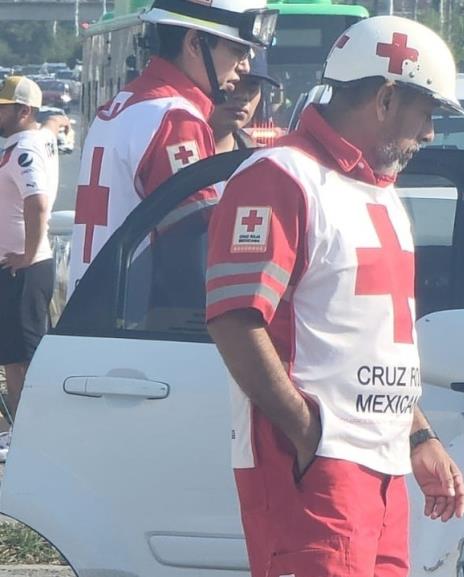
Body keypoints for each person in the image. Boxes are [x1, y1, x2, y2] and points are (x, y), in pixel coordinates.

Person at [205, 16, 464, 577]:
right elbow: (233, 318)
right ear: (387, 97)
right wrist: (307, 434)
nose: (429, 134)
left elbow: (373, 342)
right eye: (428, 113)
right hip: (316, 467)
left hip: (383, 468)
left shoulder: (381, 192)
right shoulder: (279, 176)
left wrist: (418, 435)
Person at [69, 0, 278, 292]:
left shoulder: (124, 103)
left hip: (94, 307)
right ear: (195, 43)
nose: (244, 66)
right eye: (238, 50)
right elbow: (193, 246)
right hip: (139, 322)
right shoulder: (176, 118)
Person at [0, 77, 59, 459]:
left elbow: (37, 202)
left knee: (21, 358)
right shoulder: (37, 137)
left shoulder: (23, 148)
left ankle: (27, 435)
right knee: (16, 354)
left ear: (24, 111)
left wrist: (28, 252)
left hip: (24, 267)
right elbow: (54, 124)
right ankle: (27, 431)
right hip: (24, 265)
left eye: (3, 107)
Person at [211, 50, 280, 153]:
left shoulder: (262, 162)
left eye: (252, 85)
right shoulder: (182, 151)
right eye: (232, 82)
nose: (242, 95)